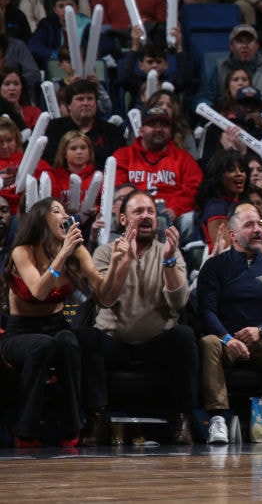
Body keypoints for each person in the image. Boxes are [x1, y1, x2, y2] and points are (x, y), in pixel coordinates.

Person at [76, 190, 196, 446]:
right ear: (122, 219)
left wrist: (170, 262)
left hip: (156, 342)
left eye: (150, 212)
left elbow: (179, 302)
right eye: (138, 212)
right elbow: (105, 298)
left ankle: (182, 419)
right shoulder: (105, 253)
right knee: (86, 338)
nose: (146, 216)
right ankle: (96, 419)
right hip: (114, 342)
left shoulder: (170, 251)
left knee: (184, 336)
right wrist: (127, 260)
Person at [0, 198, 114, 446]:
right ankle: (25, 430)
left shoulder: (77, 250)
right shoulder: (23, 251)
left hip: (56, 325)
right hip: (19, 332)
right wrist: (63, 253)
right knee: (42, 346)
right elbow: (39, 291)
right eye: (56, 210)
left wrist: (118, 264)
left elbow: (103, 294)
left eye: (65, 209)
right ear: (41, 219)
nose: (65, 214)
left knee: (69, 341)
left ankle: (72, 427)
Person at [197, 203, 262, 445]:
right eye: (249, 225)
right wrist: (227, 339)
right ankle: (218, 419)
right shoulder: (214, 266)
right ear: (233, 234)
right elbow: (206, 311)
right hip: (226, 342)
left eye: (259, 224)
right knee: (208, 342)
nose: (257, 230)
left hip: (261, 342)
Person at [112, 106, 203, 233]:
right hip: (134, 213)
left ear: (170, 131)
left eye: (164, 125)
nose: (159, 129)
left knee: (189, 219)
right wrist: (137, 208)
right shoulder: (123, 156)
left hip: (172, 214)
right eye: (153, 124)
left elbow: (193, 189)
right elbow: (117, 188)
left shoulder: (184, 158)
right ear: (141, 130)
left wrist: (175, 208)